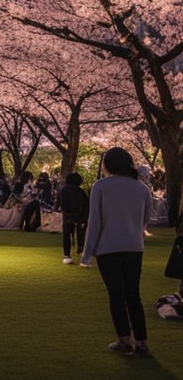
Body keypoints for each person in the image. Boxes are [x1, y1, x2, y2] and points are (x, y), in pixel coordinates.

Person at [81, 147, 153, 356]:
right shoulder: (142, 189)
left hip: (108, 248)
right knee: (133, 295)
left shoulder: (100, 187)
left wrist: (87, 254)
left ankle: (124, 340)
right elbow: (146, 218)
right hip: (134, 247)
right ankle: (141, 342)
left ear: (107, 164)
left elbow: (94, 222)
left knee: (117, 296)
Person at [56, 172, 89, 265]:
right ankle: (81, 249)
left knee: (66, 234)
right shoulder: (80, 191)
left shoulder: (63, 190)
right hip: (79, 216)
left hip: (67, 216)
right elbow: (86, 205)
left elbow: (58, 202)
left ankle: (67, 255)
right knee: (80, 232)